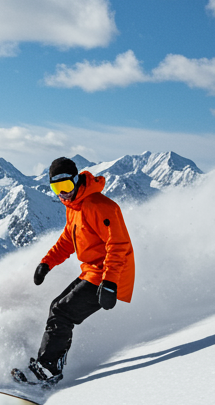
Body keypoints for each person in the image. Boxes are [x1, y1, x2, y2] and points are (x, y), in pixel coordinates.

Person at [17, 156, 135, 386]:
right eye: (56, 188)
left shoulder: (100, 206)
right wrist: (47, 263)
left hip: (109, 274)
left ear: (77, 180)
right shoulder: (75, 207)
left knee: (62, 313)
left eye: (67, 186)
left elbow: (118, 245)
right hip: (93, 272)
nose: (63, 193)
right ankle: (52, 364)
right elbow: (68, 240)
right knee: (56, 307)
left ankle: (47, 369)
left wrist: (110, 283)